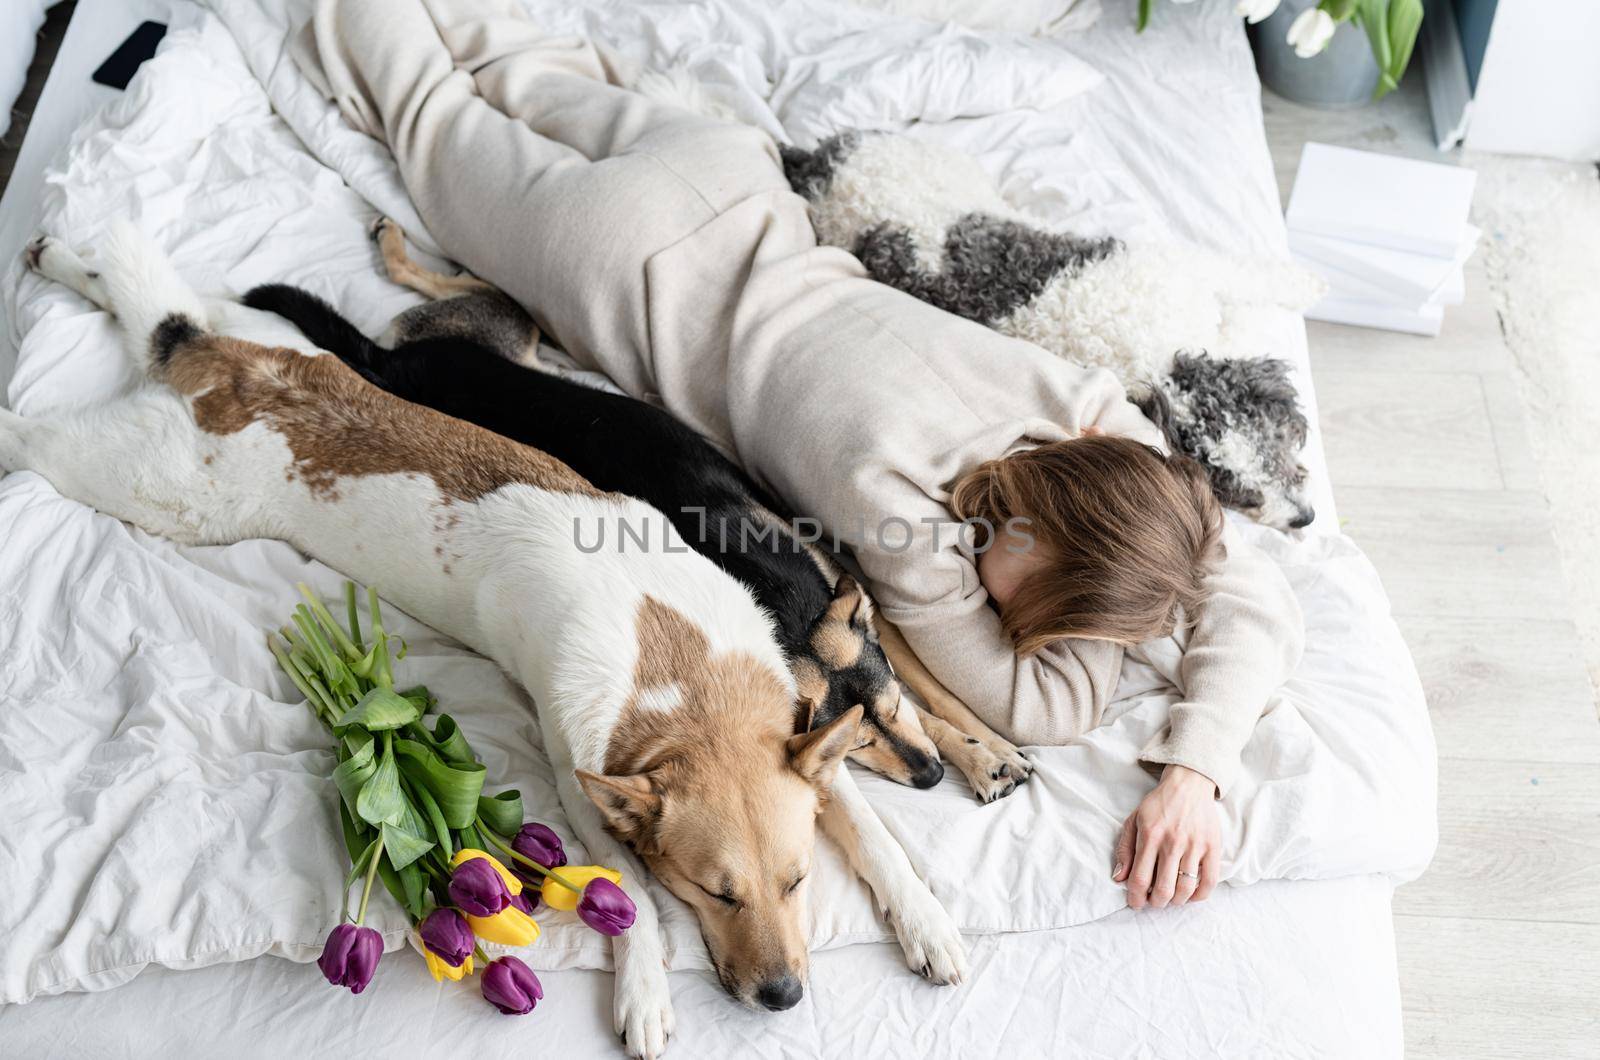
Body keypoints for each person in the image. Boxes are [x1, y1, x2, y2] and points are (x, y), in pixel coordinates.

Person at [294, 0, 1305, 912]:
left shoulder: (1081, 415)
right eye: (1051, 602)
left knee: (502, 51)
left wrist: (1173, 698)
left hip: (725, 173)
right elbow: (1049, 707)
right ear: (1036, 536)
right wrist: (1164, 718)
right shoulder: (900, 514)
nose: (1035, 623)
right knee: (425, 112)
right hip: (609, 259)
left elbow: (1221, 565)